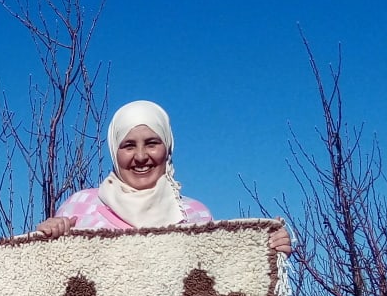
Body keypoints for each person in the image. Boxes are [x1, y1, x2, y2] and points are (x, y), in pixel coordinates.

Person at [35, 100, 293, 254]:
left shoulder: (194, 215)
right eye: (128, 146)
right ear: (115, 151)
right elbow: (50, 283)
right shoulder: (80, 206)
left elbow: (217, 282)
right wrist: (44, 240)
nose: (140, 156)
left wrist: (264, 249)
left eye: (151, 143)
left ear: (167, 147)